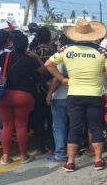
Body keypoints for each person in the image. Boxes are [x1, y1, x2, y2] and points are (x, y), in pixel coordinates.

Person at [45, 19, 107, 172]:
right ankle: (98, 160)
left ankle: (70, 162)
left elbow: (48, 65)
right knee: (96, 127)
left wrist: (62, 79)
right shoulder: (102, 51)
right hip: (95, 94)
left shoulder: (65, 49)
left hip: (74, 94)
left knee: (75, 128)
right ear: (93, 35)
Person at [0, 31, 46, 164]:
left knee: (7, 126)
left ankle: (5, 157)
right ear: (25, 45)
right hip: (23, 95)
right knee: (21, 126)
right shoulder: (29, 59)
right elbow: (44, 71)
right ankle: (24, 156)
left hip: (4, 95)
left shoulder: (5, 56)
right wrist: (36, 57)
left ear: (12, 43)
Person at [46, 34, 72, 162]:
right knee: (73, 124)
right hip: (75, 94)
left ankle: (61, 153)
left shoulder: (62, 55)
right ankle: (73, 150)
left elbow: (57, 78)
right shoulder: (76, 55)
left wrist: (50, 93)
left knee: (59, 126)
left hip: (61, 96)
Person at [32, 26, 56, 154]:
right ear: (49, 38)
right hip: (52, 88)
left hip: (36, 89)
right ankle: (51, 146)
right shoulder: (55, 52)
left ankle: (39, 146)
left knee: (38, 119)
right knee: (52, 118)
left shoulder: (32, 52)